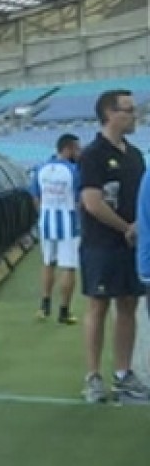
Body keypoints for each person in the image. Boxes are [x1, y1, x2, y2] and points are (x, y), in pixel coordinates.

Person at [78, 89, 148, 404]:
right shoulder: (92, 154)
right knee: (98, 305)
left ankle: (123, 375)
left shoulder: (135, 156)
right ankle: (93, 377)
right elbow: (92, 202)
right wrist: (126, 228)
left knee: (128, 304)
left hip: (130, 245)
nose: (134, 115)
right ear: (110, 114)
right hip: (101, 244)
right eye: (128, 110)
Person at [31, 133, 81, 324]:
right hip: (68, 225)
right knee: (68, 266)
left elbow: (35, 196)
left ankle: (44, 307)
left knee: (48, 263)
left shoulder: (41, 168)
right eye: (77, 149)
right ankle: (64, 311)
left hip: (46, 223)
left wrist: (43, 214)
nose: (79, 153)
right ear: (68, 149)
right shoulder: (74, 171)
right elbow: (79, 200)